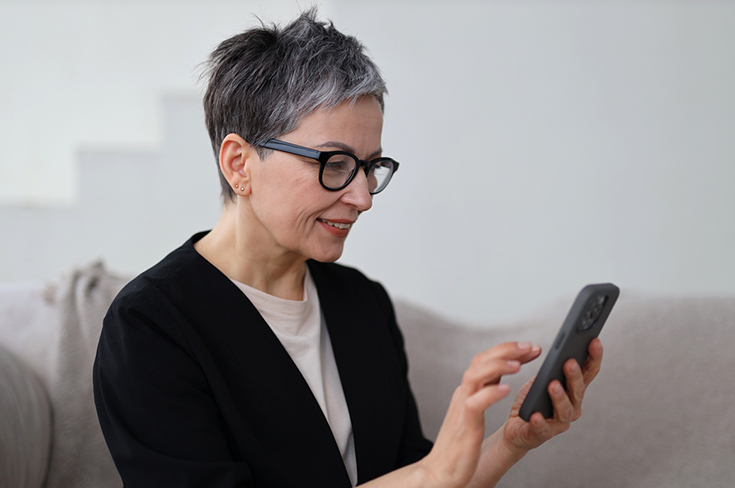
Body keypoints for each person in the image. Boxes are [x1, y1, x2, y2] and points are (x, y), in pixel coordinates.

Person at [93, 9, 603, 488]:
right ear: (239, 164)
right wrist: (431, 473)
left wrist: (511, 441)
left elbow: (416, 478)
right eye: (334, 164)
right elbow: (425, 478)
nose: (362, 197)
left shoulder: (362, 303)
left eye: (370, 167)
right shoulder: (150, 326)